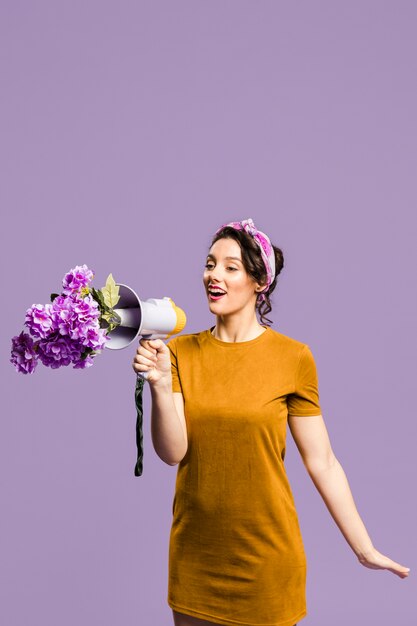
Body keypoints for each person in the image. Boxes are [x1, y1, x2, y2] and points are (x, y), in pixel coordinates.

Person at [132, 218, 410, 626]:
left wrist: (363, 547)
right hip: (196, 558)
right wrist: (157, 384)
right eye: (210, 264)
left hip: (267, 562)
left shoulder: (293, 358)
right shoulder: (179, 353)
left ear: (259, 281)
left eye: (231, 267)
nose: (214, 275)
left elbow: (323, 461)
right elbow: (173, 453)